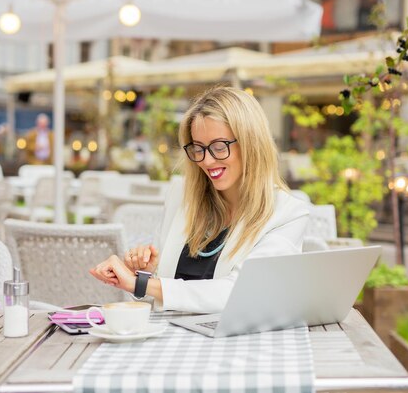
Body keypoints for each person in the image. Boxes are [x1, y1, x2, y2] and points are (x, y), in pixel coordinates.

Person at [89, 87, 309, 313]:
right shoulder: (181, 196)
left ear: (251, 144)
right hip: (173, 341)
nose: (207, 161)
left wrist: (143, 284)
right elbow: (158, 303)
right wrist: (146, 273)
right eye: (198, 148)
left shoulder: (287, 214)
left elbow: (243, 293)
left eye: (219, 146)